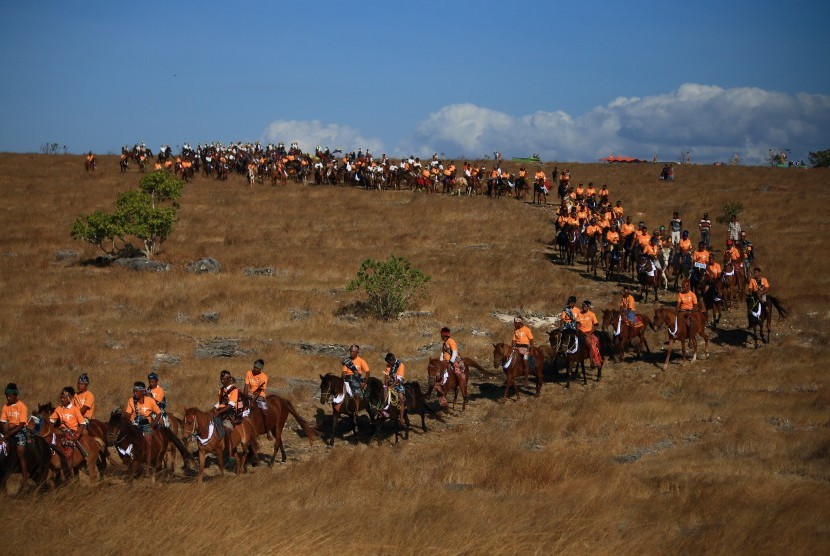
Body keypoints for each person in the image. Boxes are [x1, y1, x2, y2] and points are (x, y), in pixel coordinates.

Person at [1, 383, 30, 483]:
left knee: (20, 451)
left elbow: (22, 424)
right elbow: (3, 421)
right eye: (7, 396)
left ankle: (25, 477)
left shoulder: (22, 406)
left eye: (10, 396)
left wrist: (9, 433)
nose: (8, 398)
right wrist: (5, 432)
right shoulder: (5, 407)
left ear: (15, 395)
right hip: (9, 430)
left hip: (20, 430)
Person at [50, 386, 89, 459]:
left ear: (69, 398)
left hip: (71, 431)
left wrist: (77, 435)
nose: (62, 400)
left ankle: (67, 460)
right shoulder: (58, 409)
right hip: (60, 430)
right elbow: (51, 421)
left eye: (64, 398)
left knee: (67, 442)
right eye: (61, 398)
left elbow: (82, 424)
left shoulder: (75, 410)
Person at [577, 300, 602, 369]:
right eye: (583, 306)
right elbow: (578, 323)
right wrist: (578, 330)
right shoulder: (579, 314)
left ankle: (591, 361)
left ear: (588, 307)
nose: (583, 307)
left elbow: (596, 325)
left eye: (585, 306)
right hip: (580, 332)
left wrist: (590, 333)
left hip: (588, 332)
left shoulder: (592, 314)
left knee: (589, 344)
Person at [382, 353, 406, 424]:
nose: (388, 364)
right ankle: (383, 410)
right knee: (383, 394)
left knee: (401, 397)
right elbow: (386, 375)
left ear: (392, 360)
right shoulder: (388, 365)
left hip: (398, 384)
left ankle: (401, 417)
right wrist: (386, 384)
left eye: (389, 362)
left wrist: (391, 386)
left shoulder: (400, 365)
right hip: (390, 384)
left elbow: (399, 379)